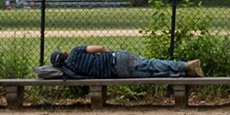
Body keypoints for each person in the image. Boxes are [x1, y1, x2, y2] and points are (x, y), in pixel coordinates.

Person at [49, 45, 204, 79]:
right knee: (150, 64)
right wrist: (110, 54)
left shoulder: (71, 72)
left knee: (150, 74)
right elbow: (101, 48)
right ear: (64, 54)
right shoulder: (76, 51)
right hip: (117, 59)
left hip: (117, 73)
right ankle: (184, 66)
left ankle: (183, 75)